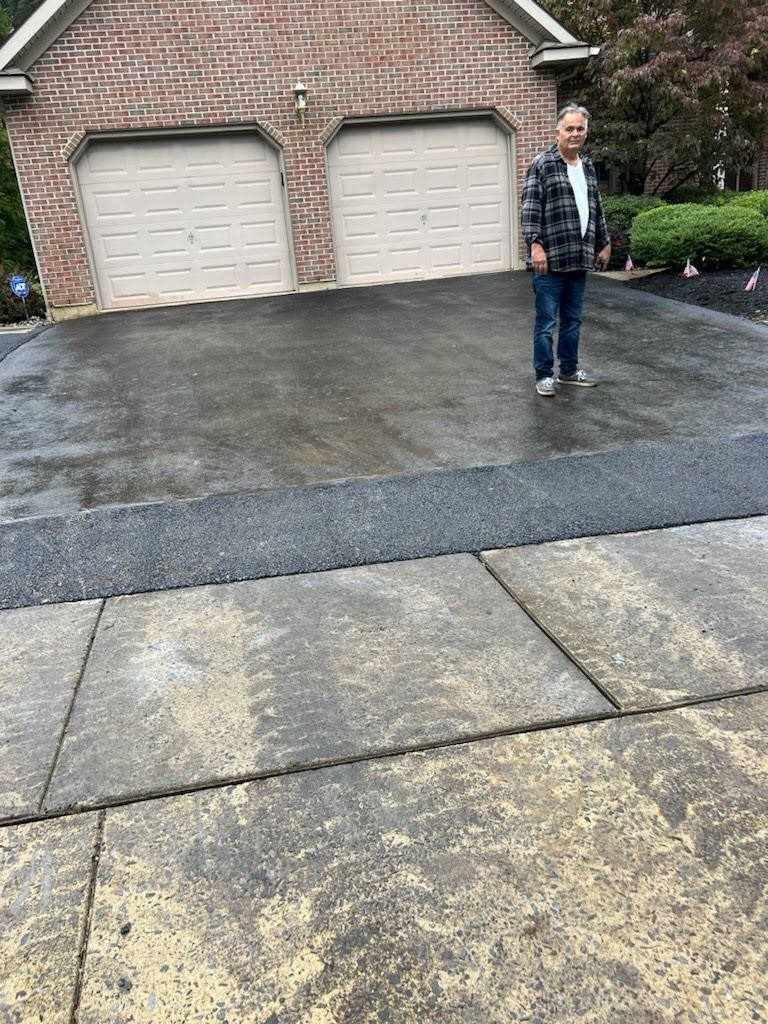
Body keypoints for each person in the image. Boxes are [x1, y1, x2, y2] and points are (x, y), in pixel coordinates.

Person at [521, 103, 611, 397]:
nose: (575, 133)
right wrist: (535, 245)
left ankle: (569, 371)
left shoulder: (587, 167)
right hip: (551, 260)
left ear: (586, 133)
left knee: (572, 320)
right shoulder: (542, 164)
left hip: (579, 257)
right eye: (569, 128)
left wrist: (604, 242)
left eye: (580, 128)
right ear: (557, 132)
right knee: (546, 322)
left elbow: (596, 208)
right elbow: (531, 209)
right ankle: (544, 374)